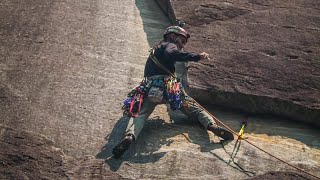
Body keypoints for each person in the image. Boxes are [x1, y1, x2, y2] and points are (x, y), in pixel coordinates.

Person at [112, 26, 234, 158]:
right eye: (181, 40)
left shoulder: (154, 51)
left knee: (140, 114)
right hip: (169, 87)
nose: (181, 45)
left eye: (183, 42)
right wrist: (197, 56)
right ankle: (211, 125)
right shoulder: (169, 45)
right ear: (171, 36)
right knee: (195, 109)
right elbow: (172, 54)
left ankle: (130, 136)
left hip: (149, 88)